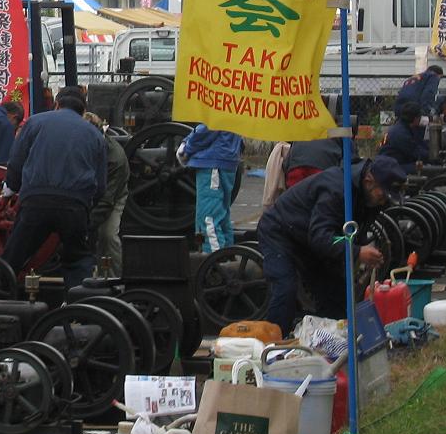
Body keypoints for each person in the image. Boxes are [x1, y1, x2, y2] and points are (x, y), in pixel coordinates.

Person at [257, 156, 400, 334]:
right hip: (280, 231)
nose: (384, 201)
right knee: (286, 288)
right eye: (383, 194)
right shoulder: (337, 190)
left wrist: (359, 249)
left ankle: (334, 341)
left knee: (335, 291)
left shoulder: (370, 197)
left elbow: (346, 234)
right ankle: (273, 345)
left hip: (309, 236)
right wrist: (357, 252)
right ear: (369, 180)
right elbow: (320, 237)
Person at [1, 87, 106, 288]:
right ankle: (80, 307)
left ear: (56, 105)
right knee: (78, 258)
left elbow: (16, 161)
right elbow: (100, 186)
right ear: (83, 110)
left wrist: (11, 187)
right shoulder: (95, 135)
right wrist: (86, 208)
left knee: (14, 255)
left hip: (35, 201)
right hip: (75, 205)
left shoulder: (35, 122)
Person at [178, 122, 244, 252]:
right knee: (222, 217)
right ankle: (228, 256)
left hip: (213, 165)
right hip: (227, 163)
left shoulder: (220, 104)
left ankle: (214, 262)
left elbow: (209, 127)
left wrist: (186, 147)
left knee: (209, 218)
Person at [84, 112, 128, 277]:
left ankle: (114, 279)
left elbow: (107, 200)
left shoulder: (115, 158)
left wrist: (86, 226)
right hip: (87, 191)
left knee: (107, 235)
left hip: (113, 195)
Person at [379, 99, 429, 174]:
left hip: (393, 163)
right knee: (424, 168)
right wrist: (433, 156)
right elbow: (416, 152)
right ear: (415, 119)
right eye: (420, 116)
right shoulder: (401, 134)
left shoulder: (403, 127)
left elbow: (417, 146)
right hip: (390, 167)